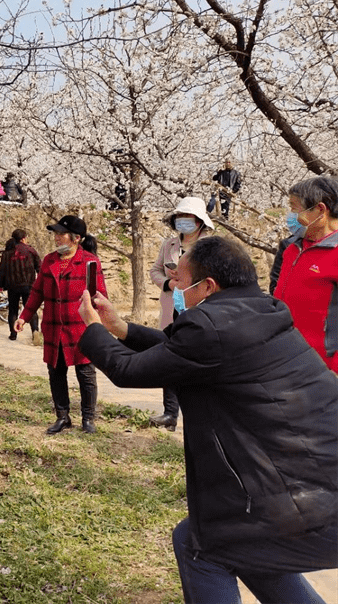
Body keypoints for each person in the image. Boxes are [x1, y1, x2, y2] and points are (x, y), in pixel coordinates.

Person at [77, 236, 337, 604]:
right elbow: (183, 354)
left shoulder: (210, 328)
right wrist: (122, 329)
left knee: (203, 546)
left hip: (304, 494)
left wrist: (92, 329)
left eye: (181, 281)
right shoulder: (262, 310)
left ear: (208, 286)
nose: (176, 288)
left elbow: (128, 370)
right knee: (244, 548)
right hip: (315, 480)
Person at [14, 215, 106, 434]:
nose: (56, 238)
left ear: (76, 238)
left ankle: (88, 418)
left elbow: (99, 295)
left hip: (80, 327)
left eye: (60, 234)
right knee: (56, 372)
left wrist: (99, 325)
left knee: (85, 373)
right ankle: (63, 417)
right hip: (54, 327)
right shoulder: (49, 261)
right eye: (55, 234)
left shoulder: (89, 262)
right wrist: (24, 316)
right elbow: (37, 292)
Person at [147, 196, 213, 431]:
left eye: (188, 218)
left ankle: (199, 415)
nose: (183, 222)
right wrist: (168, 283)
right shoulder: (169, 245)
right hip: (171, 307)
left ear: (199, 221)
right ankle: (170, 413)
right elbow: (154, 271)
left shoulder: (210, 246)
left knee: (197, 360)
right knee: (170, 357)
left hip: (199, 307)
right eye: (179, 218)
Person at [273, 176, 338, 372]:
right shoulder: (292, 248)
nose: (291, 215)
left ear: (320, 209)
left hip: (325, 364)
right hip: (288, 355)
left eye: (295, 208)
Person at [0, 229, 40, 342]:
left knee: (13, 310)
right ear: (23, 238)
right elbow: (40, 268)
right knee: (31, 309)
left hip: (12, 286)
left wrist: (1, 284)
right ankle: (35, 332)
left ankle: (13, 334)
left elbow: (1, 270)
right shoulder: (30, 250)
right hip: (28, 285)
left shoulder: (7, 253)